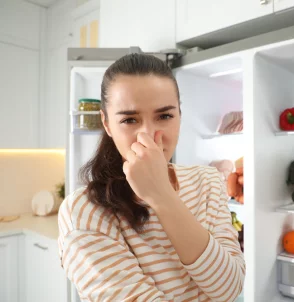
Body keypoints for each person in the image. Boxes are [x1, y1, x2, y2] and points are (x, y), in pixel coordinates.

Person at [57, 53, 245, 302]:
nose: (148, 135)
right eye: (129, 120)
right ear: (107, 123)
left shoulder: (207, 181)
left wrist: (162, 196)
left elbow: (229, 288)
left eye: (164, 116)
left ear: (179, 114)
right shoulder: (83, 212)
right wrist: (159, 193)